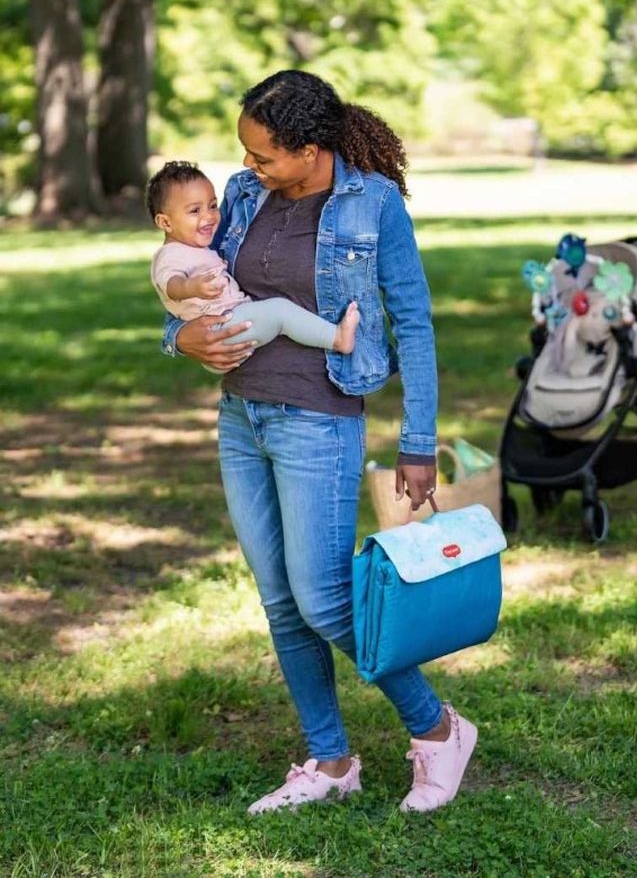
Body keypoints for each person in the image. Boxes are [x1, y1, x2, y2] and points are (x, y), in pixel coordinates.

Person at [161, 70, 477, 814]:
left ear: (309, 148)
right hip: (242, 418)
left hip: (318, 419)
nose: (250, 167)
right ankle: (331, 760)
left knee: (326, 600)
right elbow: (190, 288)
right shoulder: (243, 195)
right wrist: (183, 338)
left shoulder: (374, 204)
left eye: (265, 154)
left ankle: (438, 730)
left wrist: (418, 440)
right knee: (281, 600)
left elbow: (416, 323)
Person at [148, 160, 360, 360]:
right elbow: (171, 285)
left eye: (212, 206)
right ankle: (337, 338)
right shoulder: (169, 255)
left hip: (230, 323)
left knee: (276, 314)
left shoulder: (196, 248)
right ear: (165, 222)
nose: (209, 216)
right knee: (280, 312)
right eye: (195, 210)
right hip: (221, 329)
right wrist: (191, 287)